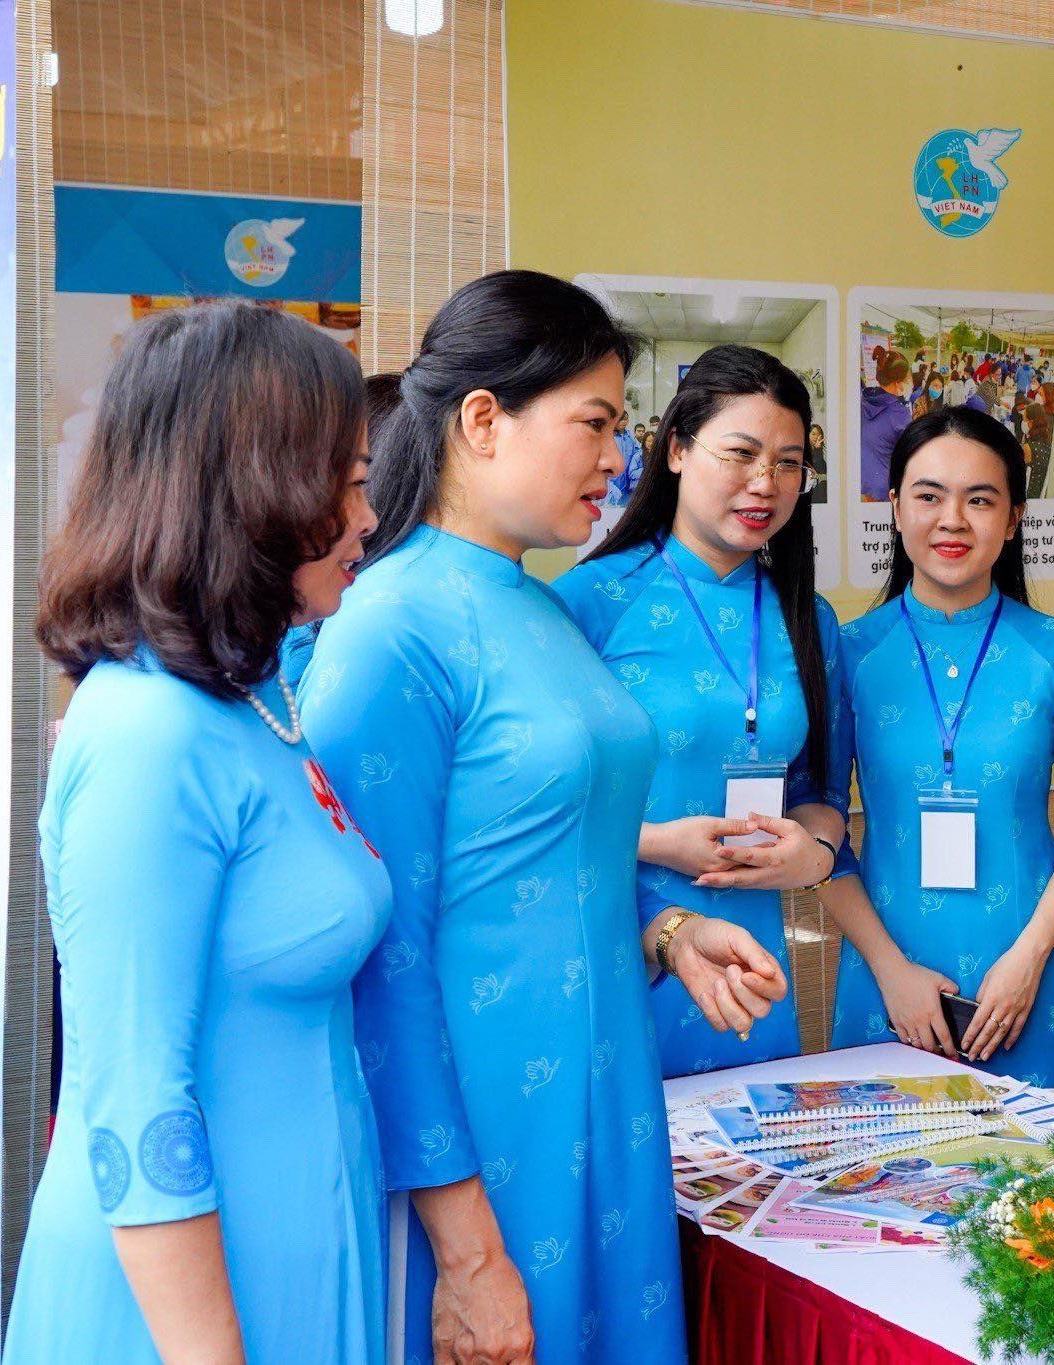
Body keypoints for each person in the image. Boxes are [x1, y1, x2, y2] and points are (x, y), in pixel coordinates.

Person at [299, 271, 784, 1365]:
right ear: (482, 420)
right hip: (481, 1140)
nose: (618, 458)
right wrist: (464, 1255)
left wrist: (665, 931)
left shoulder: (536, 601)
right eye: (597, 423)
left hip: (606, 1095)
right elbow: (381, 954)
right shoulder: (393, 628)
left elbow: (546, 860)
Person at [7, 302, 389, 1361]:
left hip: (301, 1251)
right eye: (347, 484)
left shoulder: (256, 704)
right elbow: (135, 1102)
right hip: (187, 1310)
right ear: (252, 491)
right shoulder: (145, 736)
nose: (368, 517)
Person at [556, 345, 847, 1077]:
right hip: (616, 948)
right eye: (742, 453)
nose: (765, 483)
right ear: (677, 450)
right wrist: (660, 843)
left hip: (751, 970)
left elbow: (820, 796)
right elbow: (541, 806)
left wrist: (811, 856)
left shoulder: (808, 618)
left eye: (787, 462)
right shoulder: (592, 601)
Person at [819, 406, 1054, 1100]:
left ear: (1013, 518)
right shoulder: (850, 654)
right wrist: (891, 970)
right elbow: (822, 832)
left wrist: (1026, 960)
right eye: (929, 495)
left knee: (1044, 1196)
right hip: (886, 982)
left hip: (1029, 986)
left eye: (980, 499)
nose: (952, 519)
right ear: (894, 508)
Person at [860, 347, 913, 501]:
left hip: (864, 483)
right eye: (907, 378)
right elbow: (910, 453)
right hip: (885, 492)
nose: (910, 382)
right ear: (897, 382)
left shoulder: (865, 400)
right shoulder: (900, 415)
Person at [609, 411, 644, 505]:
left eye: (626, 419)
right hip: (611, 485)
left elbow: (638, 457)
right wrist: (610, 487)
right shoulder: (608, 438)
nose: (624, 422)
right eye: (621, 419)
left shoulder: (631, 438)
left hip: (627, 485)